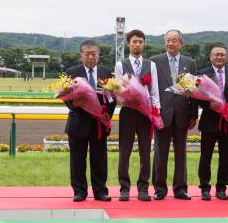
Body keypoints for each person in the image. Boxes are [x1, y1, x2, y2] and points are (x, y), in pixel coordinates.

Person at [65, 40, 116, 202]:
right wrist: (75, 104)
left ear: (98, 55)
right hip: (78, 121)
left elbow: (113, 97)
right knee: (77, 160)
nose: (90, 57)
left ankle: (100, 191)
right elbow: (65, 96)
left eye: (94, 54)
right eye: (87, 54)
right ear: (81, 55)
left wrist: (107, 114)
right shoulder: (72, 72)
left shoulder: (107, 72)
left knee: (100, 159)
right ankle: (79, 191)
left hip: (99, 123)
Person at [150, 30, 198, 200]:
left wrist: (194, 115)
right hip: (162, 113)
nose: (170, 43)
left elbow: (194, 91)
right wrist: (154, 112)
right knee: (160, 153)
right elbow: (151, 89)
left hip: (182, 114)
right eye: (168, 40)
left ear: (181, 43)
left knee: (181, 152)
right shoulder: (154, 62)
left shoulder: (190, 63)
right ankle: (159, 189)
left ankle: (180, 189)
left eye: (174, 40)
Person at [114, 29, 160, 201]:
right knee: (124, 151)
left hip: (145, 113)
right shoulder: (120, 65)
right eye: (134, 41)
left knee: (145, 151)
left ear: (144, 43)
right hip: (128, 111)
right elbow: (118, 91)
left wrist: (155, 110)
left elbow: (154, 91)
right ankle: (124, 188)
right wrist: (127, 101)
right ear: (128, 44)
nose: (138, 44)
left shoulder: (151, 65)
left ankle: (143, 188)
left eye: (141, 41)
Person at [197, 45, 228, 200]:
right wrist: (208, 105)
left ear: (227, 56)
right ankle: (204, 187)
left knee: (225, 157)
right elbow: (194, 95)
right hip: (209, 120)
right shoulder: (202, 73)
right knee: (206, 156)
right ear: (210, 56)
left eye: (222, 55)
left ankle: (221, 188)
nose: (219, 57)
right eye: (216, 55)